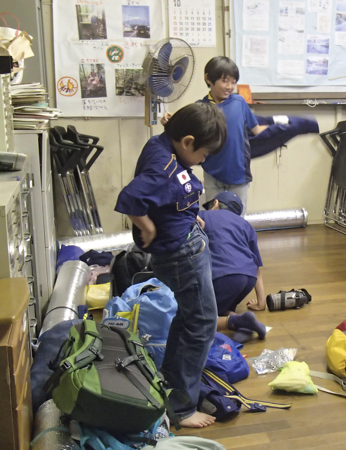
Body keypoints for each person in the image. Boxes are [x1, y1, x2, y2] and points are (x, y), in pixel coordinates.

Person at [114, 102, 227, 428]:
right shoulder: (162, 166)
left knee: (189, 321)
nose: (204, 159)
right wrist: (147, 226)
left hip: (185, 241)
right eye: (204, 153)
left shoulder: (163, 144)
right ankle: (182, 407)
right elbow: (131, 197)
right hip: (182, 255)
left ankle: (173, 389)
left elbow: (174, 194)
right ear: (187, 141)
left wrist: (192, 217)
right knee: (200, 325)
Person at [162, 56, 268, 214]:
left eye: (233, 82)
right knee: (213, 218)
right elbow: (182, 135)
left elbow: (257, 130)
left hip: (239, 176)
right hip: (212, 176)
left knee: (238, 220)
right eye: (225, 81)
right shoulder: (200, 108)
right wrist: (167, 123)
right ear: (208, 79)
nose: (229, 87)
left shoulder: (239, 102)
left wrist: (285, 129)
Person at [198, 191, 267, 343]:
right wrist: (261, 302)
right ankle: (241, 321)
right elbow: (256, 267)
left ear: (215, 203)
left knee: (195, 317)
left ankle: (236, 323)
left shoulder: (203, 216)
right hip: (248, 278)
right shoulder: (245, 225)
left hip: (222, 276)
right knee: (220, 308)